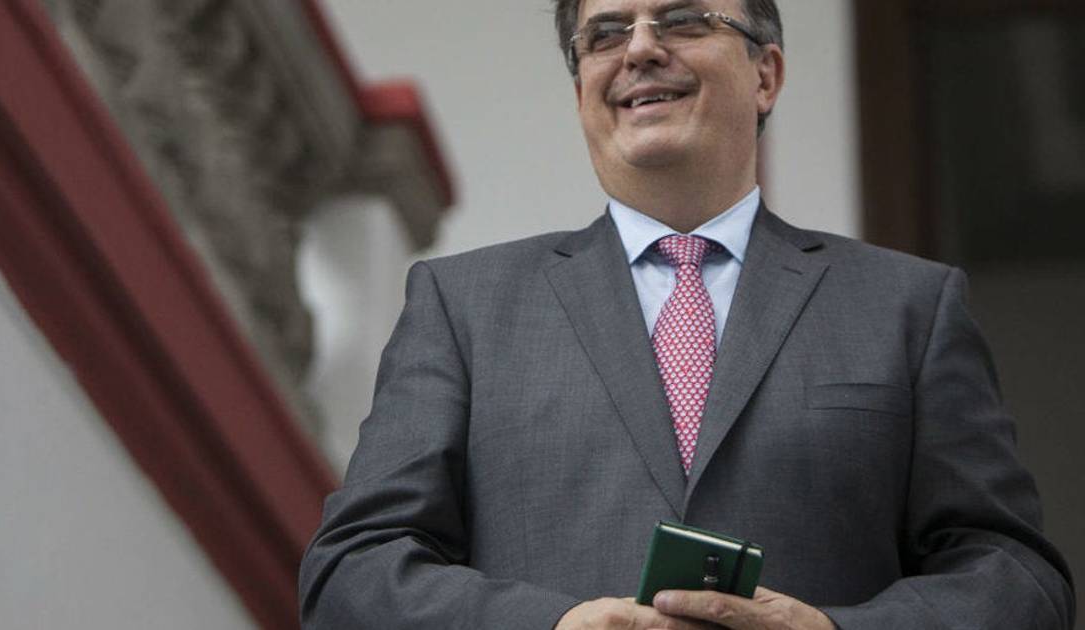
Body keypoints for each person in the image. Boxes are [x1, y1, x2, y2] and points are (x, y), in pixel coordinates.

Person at [298, 0, 1076, 627]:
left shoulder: (908, 306)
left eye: (683, 21)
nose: (640, 49)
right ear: (581, 92)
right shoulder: (464, 306)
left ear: (766, 74)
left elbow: (1017, 578)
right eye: (605, 34)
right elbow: (351, 572)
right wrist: (551, 625)